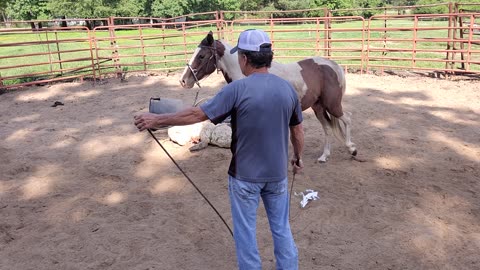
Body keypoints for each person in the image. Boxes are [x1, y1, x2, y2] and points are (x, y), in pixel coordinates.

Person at [134, 29, 305, 270]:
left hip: (245, 176)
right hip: (277, 175)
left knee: (246, 235)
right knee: (281, 228)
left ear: (244, 59)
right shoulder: (288, 89)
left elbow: (196, 113)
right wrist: (298, 158)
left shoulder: (236, 89)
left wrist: (157, 120)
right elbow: (297, 131)